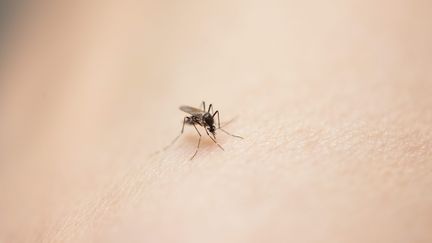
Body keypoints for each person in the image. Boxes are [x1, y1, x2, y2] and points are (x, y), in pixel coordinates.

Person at [1, 1, 431, 242]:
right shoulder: (193, 123)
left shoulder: (210, 121)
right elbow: (191, 118)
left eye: (209, 126)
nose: (207, 127)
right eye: (209, 125)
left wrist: (221, 130)